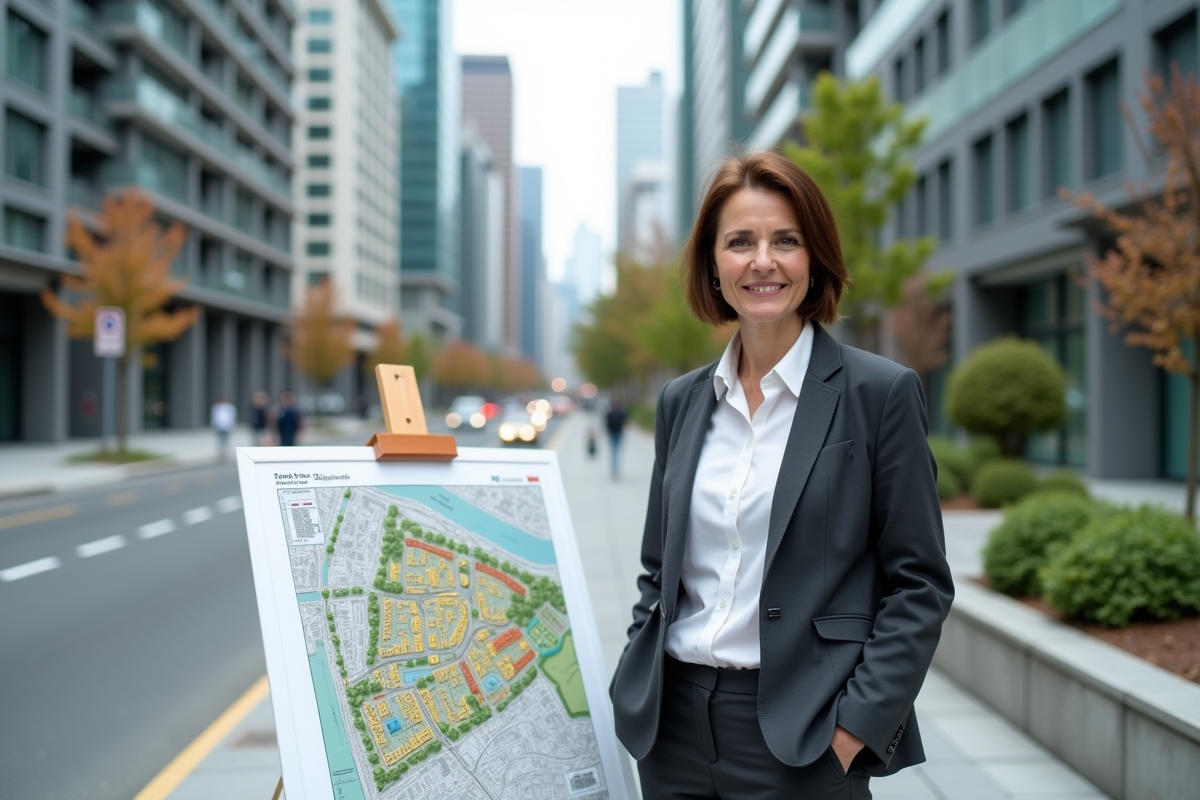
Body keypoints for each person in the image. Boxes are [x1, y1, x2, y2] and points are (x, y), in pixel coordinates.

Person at [608, 151, 954, 800]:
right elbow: (659, 569)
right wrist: (637, 668)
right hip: (672, 733)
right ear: (713, 265)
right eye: (740, 242)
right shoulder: (682, 401)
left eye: (786, 241)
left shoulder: (878, 394)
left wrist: (854, 730)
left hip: (803, 739)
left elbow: (920, 583)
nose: (762, 261)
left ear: (814, 259)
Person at [604, 401, 628, 478]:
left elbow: (624, 424)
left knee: (615, 451)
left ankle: (615, 468)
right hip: (614, 434)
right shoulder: (611, 414)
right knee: (614, 452)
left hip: (616, 434)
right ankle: (614, 468)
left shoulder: (618, 414)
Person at [210, 396, 236, 460]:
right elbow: (214, 416)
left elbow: (232, 416)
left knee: (226, 439)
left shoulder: (229, 407)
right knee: (220, 439)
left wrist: (232, 424)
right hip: (219, 426)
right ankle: (221, 451)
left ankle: (225, 451)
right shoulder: (216, 407)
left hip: (227, 425)